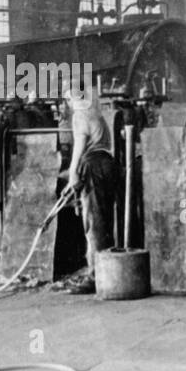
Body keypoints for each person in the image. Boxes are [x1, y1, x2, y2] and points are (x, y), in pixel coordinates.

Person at [63, 84, 121, 294]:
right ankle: (107, 271)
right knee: (105, 219)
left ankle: (95, 277)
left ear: (72, 98)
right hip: (107, 162)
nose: (68, 104)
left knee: (93, 222)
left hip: (93, 165)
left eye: (67, 99)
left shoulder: (79, 114)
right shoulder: (95, 112)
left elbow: (79, 147)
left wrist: (72, 173)